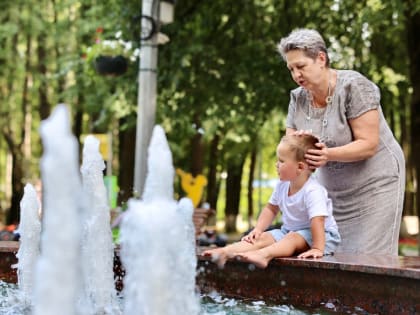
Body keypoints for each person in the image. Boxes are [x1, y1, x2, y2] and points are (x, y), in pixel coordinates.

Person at [277, 28, 405, 255]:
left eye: (301, 66)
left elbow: (369, 143)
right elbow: (290, 147)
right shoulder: (297, 98)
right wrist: (298, 149)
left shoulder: (354, 86)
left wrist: (328, 155)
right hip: (332, 192)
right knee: (330, 252)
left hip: (375, 185)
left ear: (321, 59)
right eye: (291, 69)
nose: (296, 75)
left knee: (367, 258)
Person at [203, 134, 341, 268]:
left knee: (292, 238)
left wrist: (317, 248)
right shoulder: (282, 185)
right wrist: (258, 229)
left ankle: (263, 255)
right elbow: (271, 208)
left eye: (281, 161)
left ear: (300, 167)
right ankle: (225, 252)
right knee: (262, 237)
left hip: (322, 236)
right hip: (289, 231)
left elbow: (318, 220)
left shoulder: (313, 190)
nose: (277, 164)